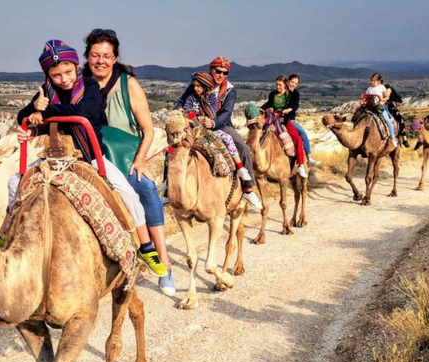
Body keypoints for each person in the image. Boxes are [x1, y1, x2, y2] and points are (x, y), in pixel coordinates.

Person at [16, 39, 167, 278]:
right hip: (57, 155)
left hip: (89, 155)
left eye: (68, 72)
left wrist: (45, 112)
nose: (64, 79)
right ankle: (9, 230)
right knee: (16, 182)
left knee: (127, 192)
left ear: (77, 67)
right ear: (48, 75)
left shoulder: (88, 86)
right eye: (57, 76)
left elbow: (83, 112)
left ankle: (146, 246)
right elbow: (21, 116)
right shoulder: (47, 91)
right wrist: (33, 108)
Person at [81, 29, 175, 295]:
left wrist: (141, 159)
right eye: (95, 55)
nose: (100, 60)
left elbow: (148, 129)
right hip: (90, 155)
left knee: (144, 188)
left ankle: (163, 260)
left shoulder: (128, 84)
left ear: (115, 58)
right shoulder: (79, 82)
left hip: (125, 158)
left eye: (106, 56)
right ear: (87, 57)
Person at [176, 71, 263, 209]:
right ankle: (169, 188)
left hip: (220, 125)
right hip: (194, 126)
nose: (220, 74)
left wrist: (212, 122)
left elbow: (225, 113)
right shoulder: (197, 85)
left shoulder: (228, 90)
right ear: (212, 70)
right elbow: (183, 104)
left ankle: (248, 188)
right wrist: (178, 111)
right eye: (218, 71)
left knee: (242, 147)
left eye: (224, 72)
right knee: (173, 148)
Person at [260, 74, 308, 177]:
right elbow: (268, 104)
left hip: (284, 120)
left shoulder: (289, 95)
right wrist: (260, 108)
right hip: (272, 120)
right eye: (276, 85)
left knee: (297, 139)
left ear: (285, 85)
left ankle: (300, 165)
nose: (278, 87)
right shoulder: (272, 94)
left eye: (280, 85)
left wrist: (288, 110)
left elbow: (294, 105)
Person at [287, 74, 320, 166]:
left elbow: (295, 105)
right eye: (292, 82)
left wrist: (290, 109)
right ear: (288, 81)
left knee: (302, 133)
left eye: (295, 83)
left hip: (290, 119)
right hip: (281, 119)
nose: (293, 84)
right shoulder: (282, 92)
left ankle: (309, 158)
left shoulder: (296, 94)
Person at [364, 73, 398, 148]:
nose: (371, 82)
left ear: (378, 81)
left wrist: (382, 101)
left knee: (387, 120)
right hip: (370, 107)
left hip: (380, 107)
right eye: (371, 81)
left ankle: (392, 137)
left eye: (373, 81)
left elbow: (387, 97)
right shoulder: (369, 89)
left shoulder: (382, 87)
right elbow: (366, 98)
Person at [381, 80, 410, 148]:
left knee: (400, 119)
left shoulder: (387, 88)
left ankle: (404, 139)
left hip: (389, 106)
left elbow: (387, 97)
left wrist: (382, 101)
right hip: (383, 105)